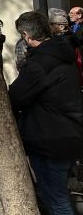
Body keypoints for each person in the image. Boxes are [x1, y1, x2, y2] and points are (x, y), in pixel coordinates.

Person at [10, 11, 83, 215]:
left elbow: (15, 97)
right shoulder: (63, 54)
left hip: (49, 139)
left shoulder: (39, 63)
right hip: (67, 134)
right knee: (59, 195)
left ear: (26, 35)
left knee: (56, 200)